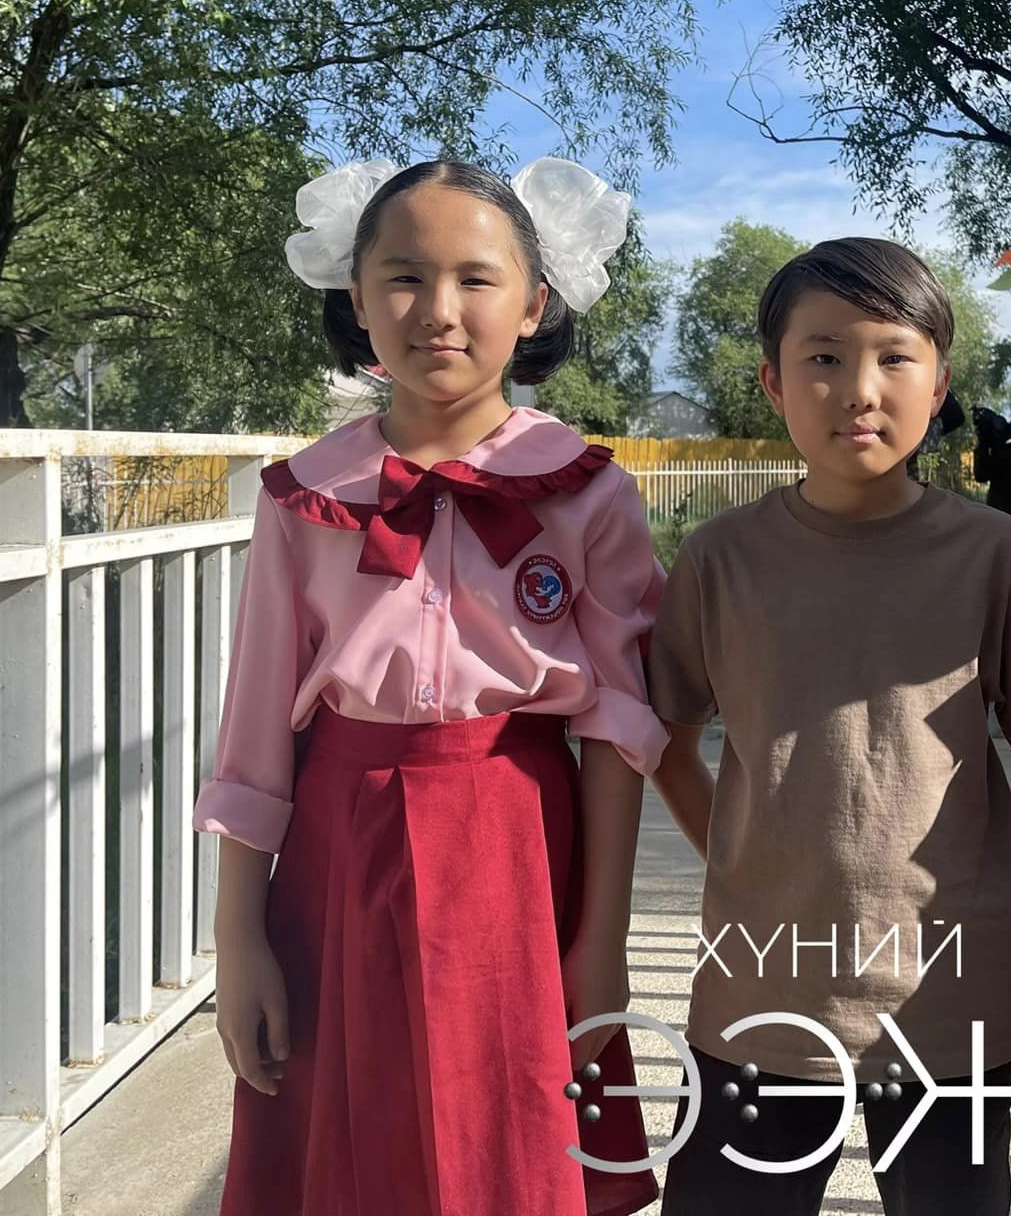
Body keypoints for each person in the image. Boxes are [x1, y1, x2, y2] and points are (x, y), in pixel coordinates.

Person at [193, 156, 665, 1216]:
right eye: (403, 277)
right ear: (357, 300)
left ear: (534, 303)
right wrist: (239, 940)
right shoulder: (302, 498)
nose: (438, 310)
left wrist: (602, 940)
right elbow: (256, 734)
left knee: (512, 1142)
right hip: (338, 862)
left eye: (476, 278)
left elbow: (617, 727)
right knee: (355, 1144)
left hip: (522, 852)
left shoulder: (588, 494)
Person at [645, 237, 1011, 1215]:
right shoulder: (719, 561)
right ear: (772, 382)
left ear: (938, 383)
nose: (859, 389)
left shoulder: (994, 557)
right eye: (822, 356)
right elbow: (669, 745)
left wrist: (964, 864)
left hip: (945, 991)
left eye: (894, 357)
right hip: (758, 988)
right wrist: (746, 859)